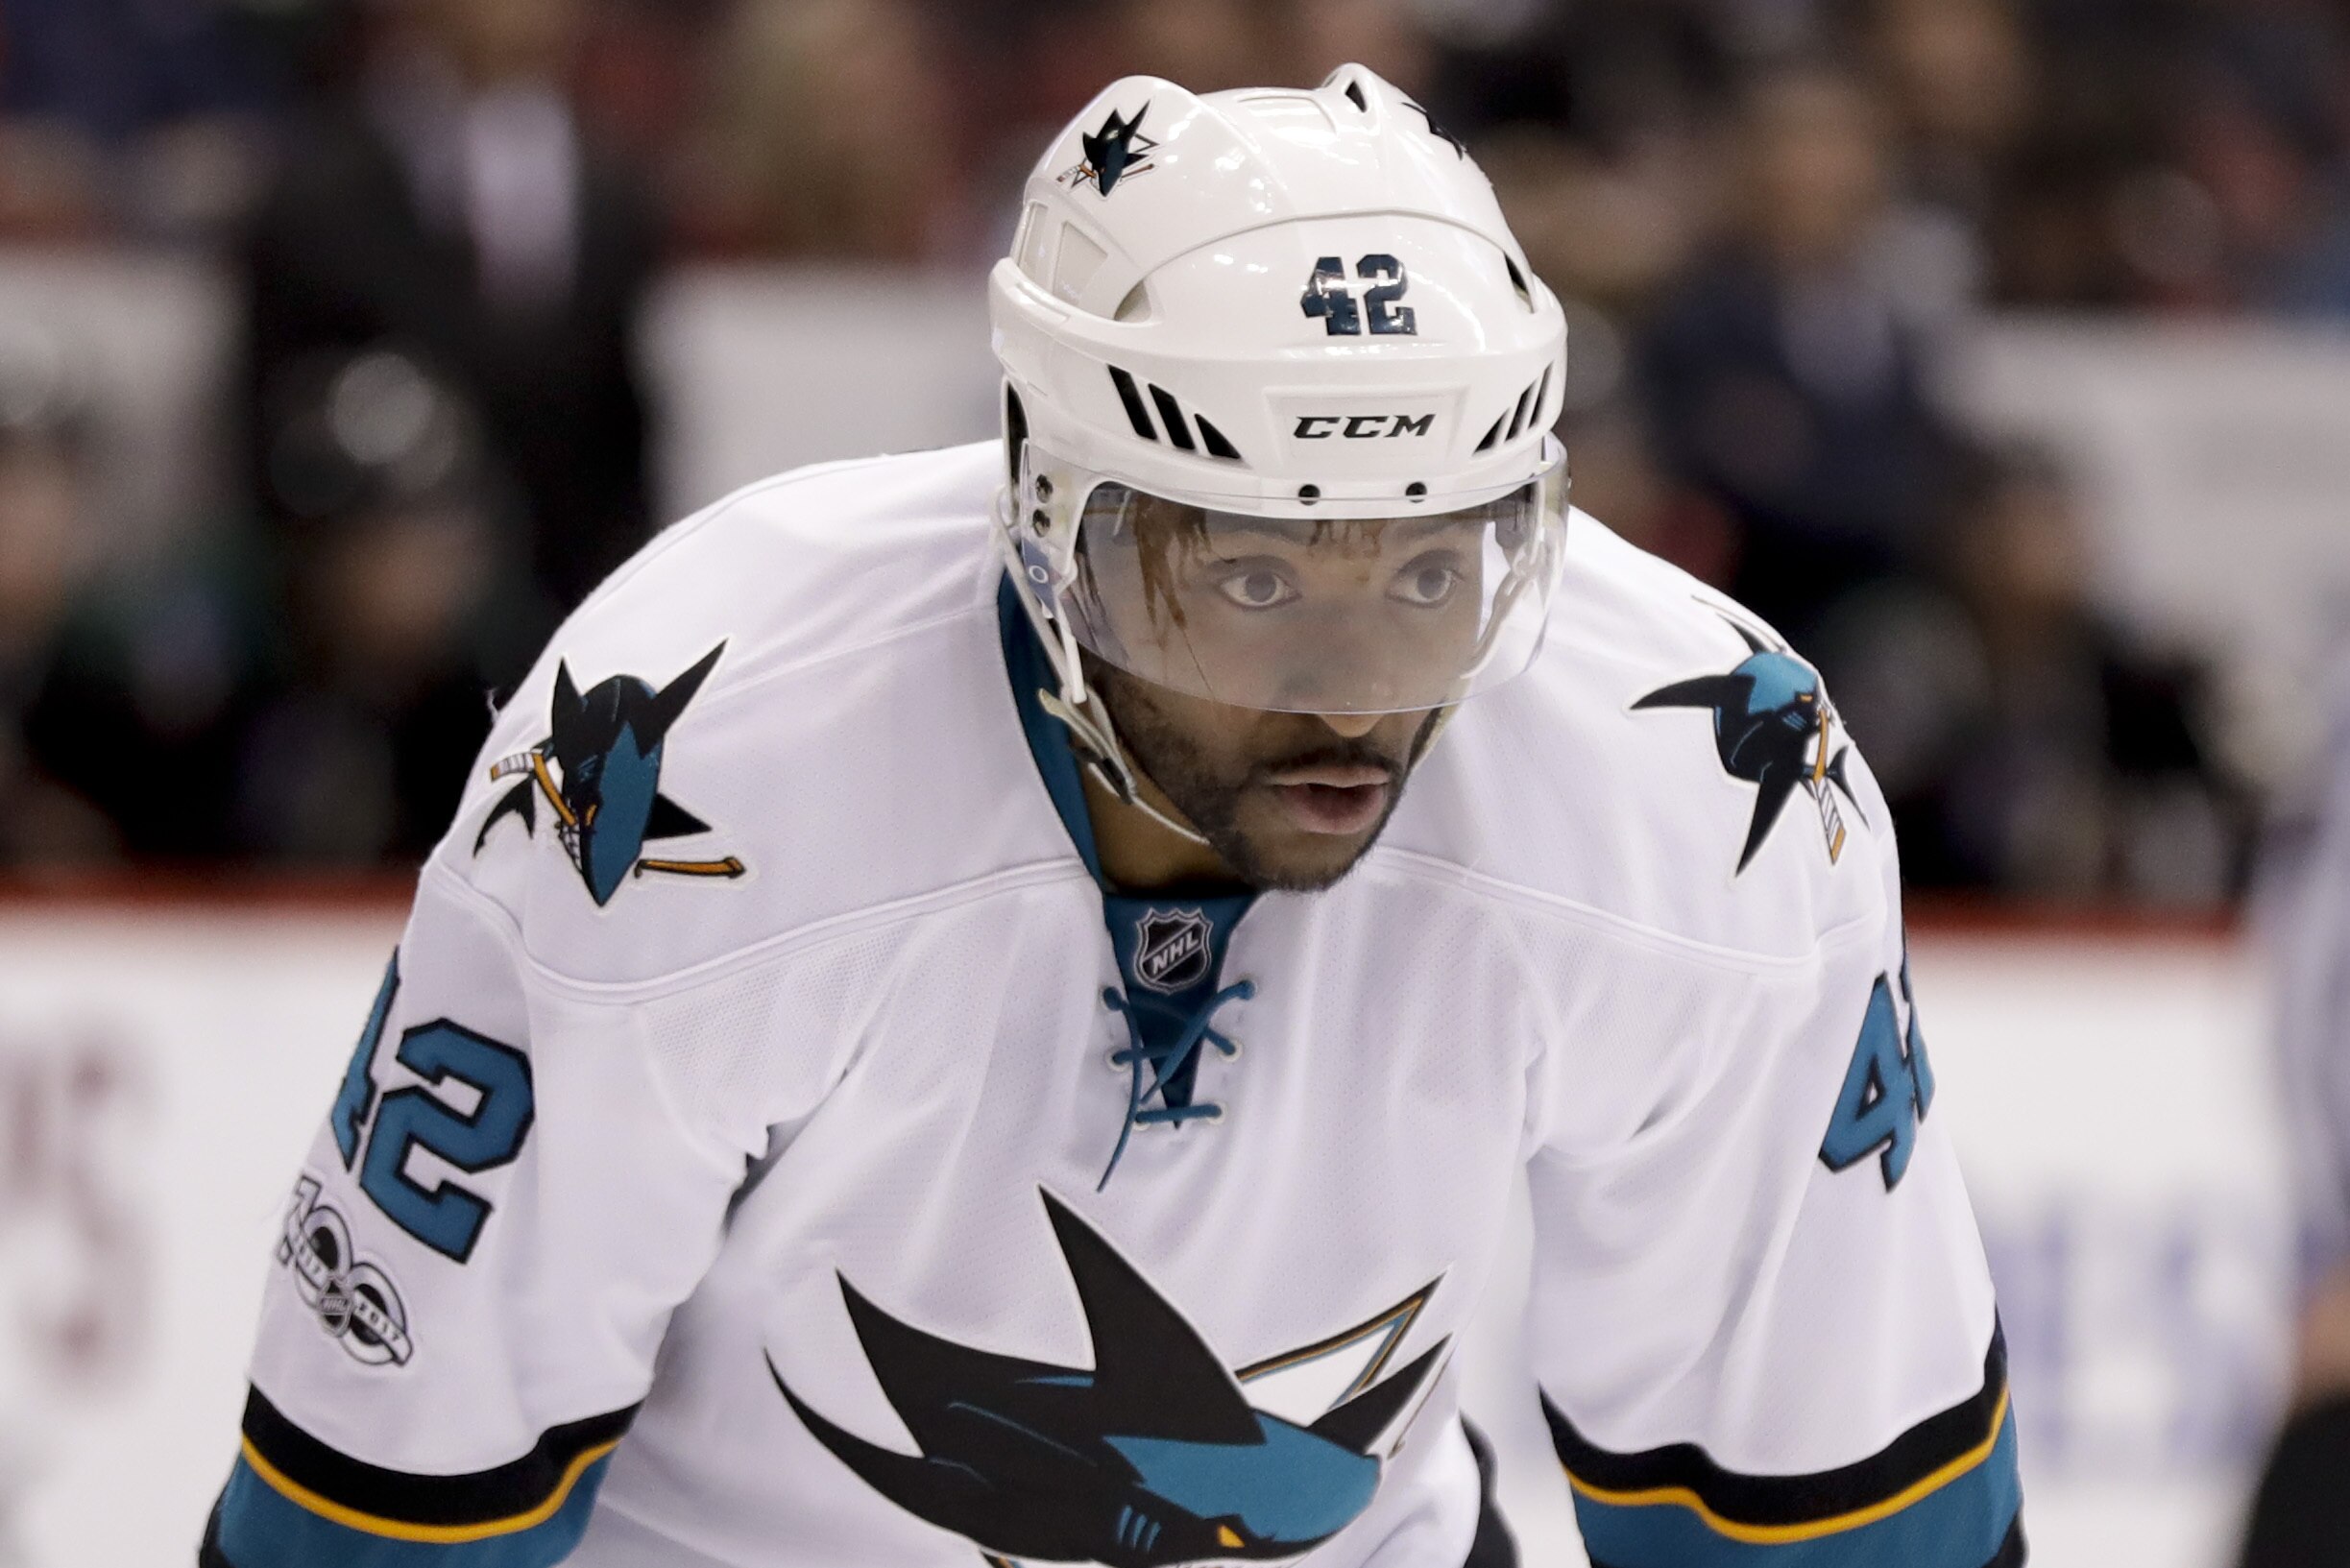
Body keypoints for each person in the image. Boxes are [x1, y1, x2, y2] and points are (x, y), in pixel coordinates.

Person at [200, 69, 2023, 1568]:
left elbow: (1840, 1513)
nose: (1351, 697)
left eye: (1428, 577)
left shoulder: (1712, 793)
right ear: (1048, 513)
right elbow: (385, 1505)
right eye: (1244, 581)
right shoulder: (679, 760)